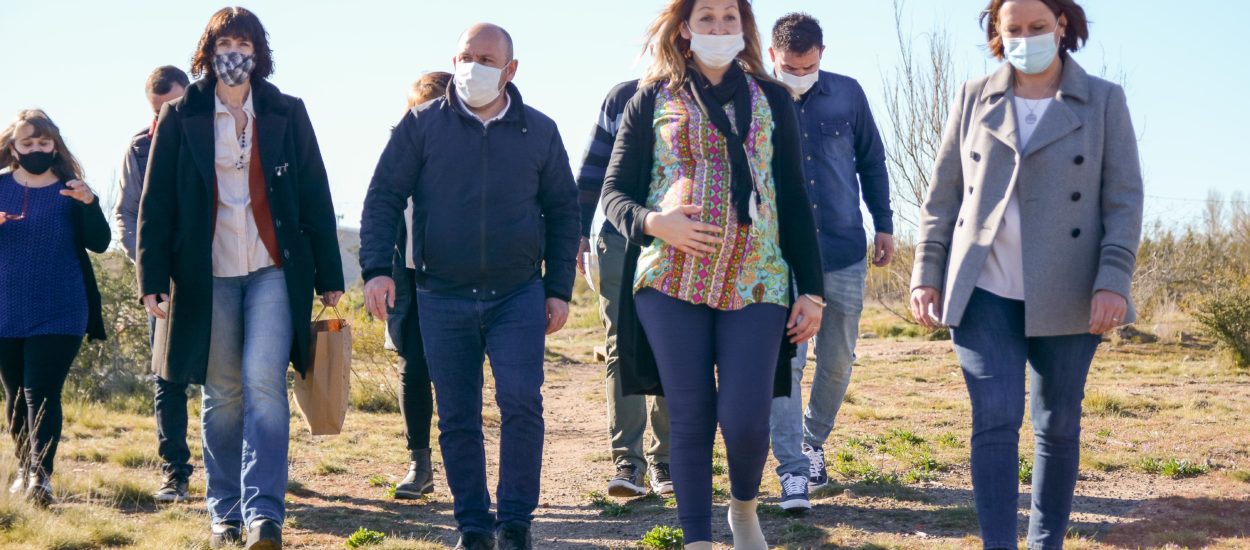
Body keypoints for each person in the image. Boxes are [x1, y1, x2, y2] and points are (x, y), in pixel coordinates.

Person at [909, 0, 1143, 547]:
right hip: (983, 286)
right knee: (994, 416)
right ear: (997, 31)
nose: (1026, 38)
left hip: (1071, 288)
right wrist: (926, 271)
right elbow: (942, 196)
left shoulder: (1105, 100)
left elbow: (1124, 200)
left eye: (1039, 27)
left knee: (1056, 425)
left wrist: (1114, 279)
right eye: (1013, 28)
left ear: (1062, 26)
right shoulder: (973, 97)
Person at [600, 0, 825, 547]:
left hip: (759, 277)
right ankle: (697, 536)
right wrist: (656, 222)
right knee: (691, 413)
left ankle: (743, 508)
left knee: (746, 419)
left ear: (743, 28)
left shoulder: (773, 98)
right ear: (685, 30)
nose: (720, 27)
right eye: (708, 18)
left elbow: (793, 198)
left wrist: (813, 291)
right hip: (672, 278)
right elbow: (613, 193)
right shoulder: (648, 98)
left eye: (730, 18)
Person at [358, 23, 579, 550]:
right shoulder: (420, 126)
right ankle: (475, 527)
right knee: (457, 414)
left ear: (510, 69)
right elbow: (384, 196)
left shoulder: (540, 131)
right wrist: (376, 270)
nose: (472, 66)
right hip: (441, 294)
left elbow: (565, 210)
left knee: (522, 401)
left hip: (518, 293)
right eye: (464, 56)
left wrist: (559, 287)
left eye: (485, 58)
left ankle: (517, 522)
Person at [137, 7, 345, 549]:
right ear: (208, 52)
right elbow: (155, 204)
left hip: (274, 270)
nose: (236, 53)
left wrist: (330, 273)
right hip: (207, 276)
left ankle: (264, 515)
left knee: (264, 383)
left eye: (245, 43)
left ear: (259, 53)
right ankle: (224, 511)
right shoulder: (181, 116)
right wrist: (151, 276)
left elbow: (317, 196)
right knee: (223, 394)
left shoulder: (286, 112)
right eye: (225, 42)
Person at [764, 13, 894, 512]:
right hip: (781, 257)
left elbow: (873, 160)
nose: (801, 75)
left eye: (810, 66)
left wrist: (883, 222)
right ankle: (792, 469)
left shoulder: (848, 93)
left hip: (843, 250)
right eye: (791, 67)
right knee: (787, 363)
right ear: (774, 57)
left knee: (837, 360)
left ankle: (814, 442)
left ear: (823, 55)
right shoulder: (757, 98)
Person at [0, 110, 110, 507]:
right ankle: (25, 466)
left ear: (54, 146)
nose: (36, 150)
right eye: (28, 144)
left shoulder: (72, 189)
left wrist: (90, 203)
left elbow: (99, 242)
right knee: (13, 395)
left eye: (44, 144)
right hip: (5, 308)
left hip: (61, 308)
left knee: (40, 391)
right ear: (13, 148)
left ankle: (41, 478)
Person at [575, 79, 674, 499]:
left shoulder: (709, 94)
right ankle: (627, 463)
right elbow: (593, 169)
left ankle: (666, 459)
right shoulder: (622, 97)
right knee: (621, 344)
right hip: (618, 236)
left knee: (676, 345)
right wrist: (578, 233)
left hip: (684, 239)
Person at [114, 64, 194, 503]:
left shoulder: (213, 135)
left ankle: (243, 474)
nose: (166, 116)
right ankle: (175, 473)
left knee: (228, 377)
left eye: (174, 106)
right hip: (163, 284)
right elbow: (126, 213)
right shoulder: (140, 148)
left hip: (217, 272)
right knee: (168, 379)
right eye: (158, 109)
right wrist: (148, 268)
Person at [387, 70, 451, 500]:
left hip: (458, 277)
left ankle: (466, 465)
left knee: (455, 374)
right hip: (409, 276)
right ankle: (420, 463)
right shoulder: (398, 148)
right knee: (414, 369)